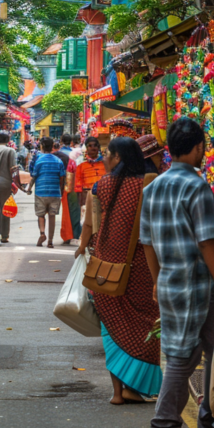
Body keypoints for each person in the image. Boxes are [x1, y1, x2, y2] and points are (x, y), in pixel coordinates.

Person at [140, 118, 214, 428]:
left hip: (169, 281)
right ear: (198, 149)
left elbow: (147, 242)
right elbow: (207, 242)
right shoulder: (196, 186)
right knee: (182, 358)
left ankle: (208, 419)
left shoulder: (153, 187)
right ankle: (164, 427)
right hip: (195, 285)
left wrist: (156, 280)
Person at [73, 137, 162, 405]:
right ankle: (139, 385)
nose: (104, 159)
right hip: (140, 270)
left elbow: (89, 225)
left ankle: (118, 393)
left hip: (104, 269)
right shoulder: (149, 185)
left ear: (119, 158)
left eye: (108, 155)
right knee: (148, 324)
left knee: (111, 329)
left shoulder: (101, 186)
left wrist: (82, 248)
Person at [29, 137, 65, 248]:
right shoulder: (58, 161)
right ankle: (50, 241)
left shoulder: (39, 160)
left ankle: (42, 233)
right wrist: (61, 191)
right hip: (55, 192)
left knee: (40, 215)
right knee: (52, 216)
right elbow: (62, 178)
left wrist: (29, 188)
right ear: (52, 146)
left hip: (41, 191)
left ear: (42, 146)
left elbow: (34, 176)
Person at [58, 133, 81, 244]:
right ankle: (75, 234)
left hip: (60, 185)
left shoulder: (59, 153)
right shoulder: (75, 154)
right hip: (73, 185)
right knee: (74, 211)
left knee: (67, 212)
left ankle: (67, 234)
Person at [75, 136, 107, 208]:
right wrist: (81, 204)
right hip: (87, 197)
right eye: (90, 146)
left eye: (95, 145)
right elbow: (78, 186)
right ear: (86, 148)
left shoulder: (106, 164)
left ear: (98, 148)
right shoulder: (81, 166)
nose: (93, 148)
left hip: (103, 197)